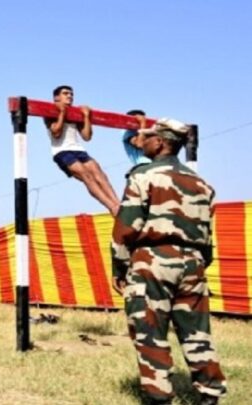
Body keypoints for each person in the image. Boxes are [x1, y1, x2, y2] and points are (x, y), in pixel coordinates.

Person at [111, 118, 226, 404]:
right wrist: (197, 264)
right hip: (193, 264)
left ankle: (159, 396)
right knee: (197, 332)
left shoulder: (143, 176)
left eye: (147, 137)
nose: (142, 141)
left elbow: (126, 228)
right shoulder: (202, 184)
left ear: (160, 142)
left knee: (149, 331)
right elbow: (207, 235)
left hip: (152, 262)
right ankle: (210, 393)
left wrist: (120, 268)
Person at [45, 85, 119, 215]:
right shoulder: (50, 111)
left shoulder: (75, 112)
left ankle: (117, 204)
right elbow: (56, 133)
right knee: (86, 175)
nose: (69, 96)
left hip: (78, 149)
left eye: (71, 94)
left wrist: (85, 116)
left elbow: (87, 136)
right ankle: (111, 207)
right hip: (61, 151)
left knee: (99, 172)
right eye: (65, 93)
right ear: (56, 97)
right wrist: (62, 113)